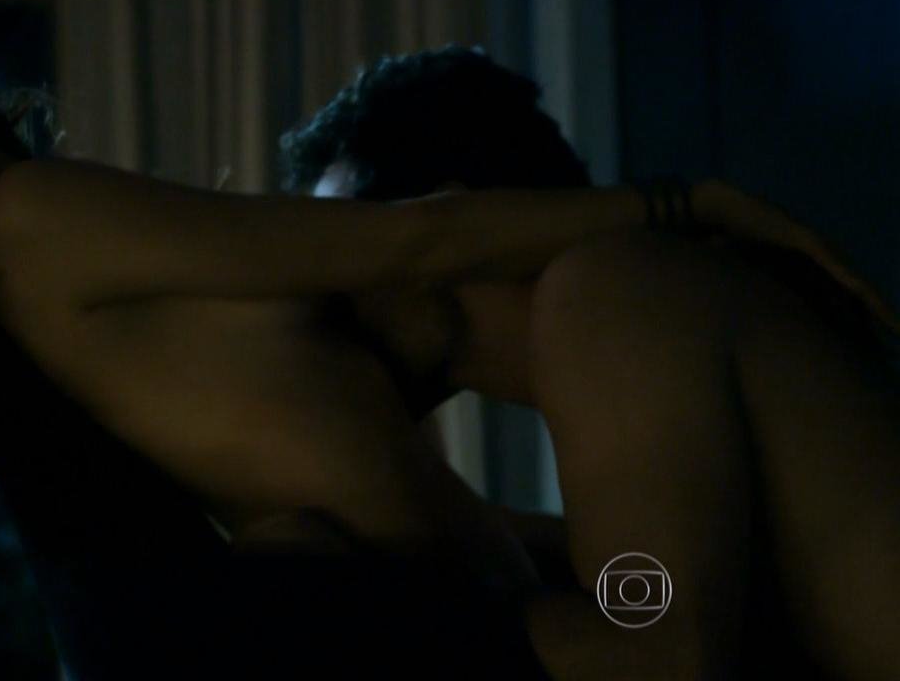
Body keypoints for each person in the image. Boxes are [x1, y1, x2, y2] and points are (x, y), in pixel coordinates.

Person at [0, 58, 894, 680]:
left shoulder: (34, 315)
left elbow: (643, 610)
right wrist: (693, 201)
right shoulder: (32, 226)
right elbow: (413, 240)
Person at [280, 45, 900, 679]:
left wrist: (338, 608)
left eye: (342, 257)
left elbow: (655, 649)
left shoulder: (614, 286)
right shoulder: (649, 294)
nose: (311, 307)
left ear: (446, 223)